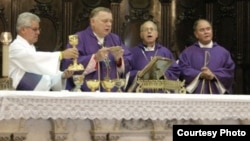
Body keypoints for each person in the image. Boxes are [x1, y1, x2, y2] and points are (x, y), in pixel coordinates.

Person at [61, 7, 132, 92]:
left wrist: (119, 60)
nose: (109, 24)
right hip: (87, 94)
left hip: (112, 93)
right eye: (105, 21)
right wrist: (95, 58)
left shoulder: (115, 39)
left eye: (111, 21)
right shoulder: (79, 38)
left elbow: (129, 61)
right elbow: (69, 65)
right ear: (92, 22)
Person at [9, 12, 79, 91]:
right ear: (23, 30)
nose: (38, 32)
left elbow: (42, 74)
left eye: (39, 29)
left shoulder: (30, 47)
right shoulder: (15, 47)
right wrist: (61, 55)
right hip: (20, 95)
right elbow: (33, 60)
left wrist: (62, 75)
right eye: (35, 29)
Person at [178, 19, 235, 94]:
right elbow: (182, 69)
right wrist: (200, 74)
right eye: (202, 30)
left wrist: (213, 75)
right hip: (194, 96)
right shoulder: (187, 53)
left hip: (217, 96)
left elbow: (229, 72)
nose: (206, 32)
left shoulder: (223, 53)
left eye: (208, 29)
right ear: (196, 34)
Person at [125, 20, 181, 92]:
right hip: (140, 93)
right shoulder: (132, 52)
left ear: (156, 34)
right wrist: (139, 74)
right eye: (146, 30)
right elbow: (126, 73)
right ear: (141, 35)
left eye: (152, 29)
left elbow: (175, 70)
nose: (149, 31)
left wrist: (162, 74)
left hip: (161, 93)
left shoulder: (165, 52)